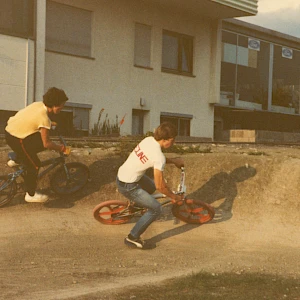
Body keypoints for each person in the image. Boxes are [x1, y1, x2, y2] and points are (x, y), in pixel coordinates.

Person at [116, 122, 184, 249]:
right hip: (129, 185)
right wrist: (174, 197)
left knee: (151, 187)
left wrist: (173, 161)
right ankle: (132, 238)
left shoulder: (148, 140)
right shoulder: (159, 157)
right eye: (172, 140)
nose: (173, 143)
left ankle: (138, 205)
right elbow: (161, 186)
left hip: (123, 175)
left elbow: (155, 158)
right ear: (165, 140)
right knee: (156, 209)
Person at [5, 87, 70, 203]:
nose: (62, 107)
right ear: (54, 105)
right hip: (16, 138)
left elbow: (32, 118)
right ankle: (30, 194)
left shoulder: (38, 105)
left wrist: (49, 124)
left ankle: (18, 158)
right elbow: (47, 143)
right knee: (34, 165)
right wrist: (61, 148)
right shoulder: (43, 118)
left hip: (11, 131)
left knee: (37, 143)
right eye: (61, 105)